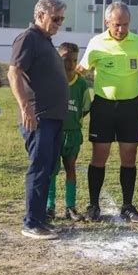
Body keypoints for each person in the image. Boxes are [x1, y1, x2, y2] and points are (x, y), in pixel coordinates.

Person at [77, 2, 138, 223]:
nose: (121, 29)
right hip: (104, 106)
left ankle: (127, 205)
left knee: (129, 158)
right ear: (107, 22)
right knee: (99, 157)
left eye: (125, 24)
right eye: (117, 25)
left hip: (130, 106)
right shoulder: (96, 44)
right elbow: (80, 71)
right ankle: (93, 205)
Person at [8, 0, 69, 240]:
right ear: (41, 15)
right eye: (55, 18)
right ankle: (31, 223)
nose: (58, 24)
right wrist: (25, 107)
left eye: (61, 20)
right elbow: (14, 73)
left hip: (53, 118)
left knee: (48, 169)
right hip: (39, 117)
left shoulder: (45, 40)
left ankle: (40, 218)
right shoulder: (28, 38)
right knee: (39, 168)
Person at [46, 42, 91, 222]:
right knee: (52, 170)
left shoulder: (80, 83)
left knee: (71, 168)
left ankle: (70, 207)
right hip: (54, 131)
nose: (70, 64)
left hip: (72, 133)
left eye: (74, 60)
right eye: (66, 59)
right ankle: (50, 207)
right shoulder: (52, 79)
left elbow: (86, 106)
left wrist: (75, 119)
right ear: (59, 59)